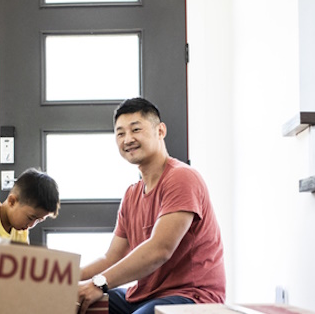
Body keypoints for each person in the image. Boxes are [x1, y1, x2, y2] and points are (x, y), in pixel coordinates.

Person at [77, 97, 226, 314]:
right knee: (76, 302)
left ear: (160, 131)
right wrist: (65, 280)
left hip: (191, 297)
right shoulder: (131, 194)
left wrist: (99, 283)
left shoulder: (182, 178)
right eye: (120, 133)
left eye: (135, 129)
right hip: (144, 296)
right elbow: (111, 257)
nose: (128, 139)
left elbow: (160, 249)